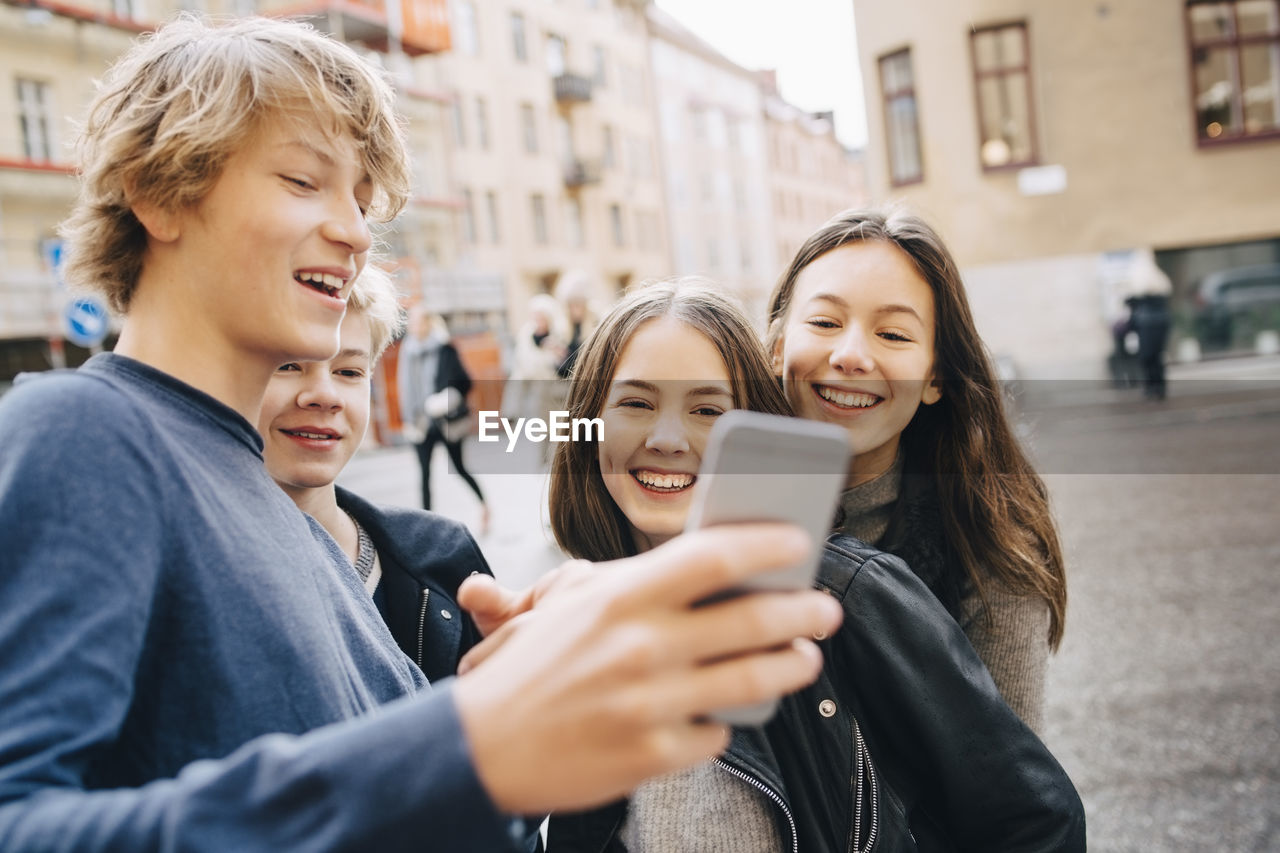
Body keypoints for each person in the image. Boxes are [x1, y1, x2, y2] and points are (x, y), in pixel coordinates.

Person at [0, 16, 842, 851]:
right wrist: (466, 742)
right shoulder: (85, 432)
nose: (357, 232)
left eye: (363, 202)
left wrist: (519, 687)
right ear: (157, 191)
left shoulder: (274, 503)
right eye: (304, 181)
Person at [544, 278, 1084, 852]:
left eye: (707, 409)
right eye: (634, 403)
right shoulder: (582, 624)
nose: (668, 438)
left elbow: (1037, 820)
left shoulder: (848, 595)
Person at [766, 206, 1068, 731]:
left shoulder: (987, 543)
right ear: (776, 348)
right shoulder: (691, 495)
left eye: (894, 335)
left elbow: (1004, 792)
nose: (852, 355)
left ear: (936, 378)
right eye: (824, 322)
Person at [259, 268, 492, 682]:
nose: (325, 395)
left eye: (349, 372)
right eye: (289, 364)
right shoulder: (188, 576)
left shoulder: (445, 555)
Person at [397, 302, 489, 530]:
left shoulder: (445, 348)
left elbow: (465, 382)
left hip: (445, 420)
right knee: (424, 475)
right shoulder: (407, 351)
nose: (414, 326)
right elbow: (404, 388)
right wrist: (408, 421)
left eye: (419, 321)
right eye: (412, 321)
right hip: (420, 423)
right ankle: (427, 525)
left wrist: (446, 399)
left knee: (459, 467)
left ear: (428, 323)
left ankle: (484, 505)